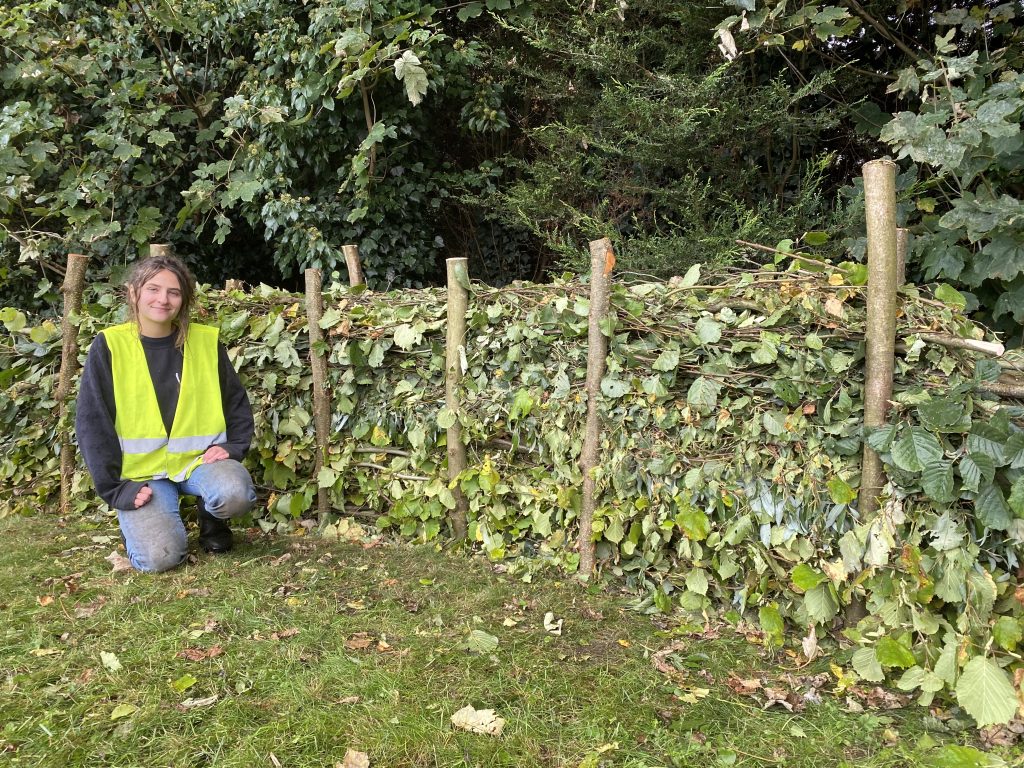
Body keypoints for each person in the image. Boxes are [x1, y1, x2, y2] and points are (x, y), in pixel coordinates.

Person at [75, 253, 257, 572]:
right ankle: (148, 524)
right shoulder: (109, 346)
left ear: (184, 299)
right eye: (153, 289)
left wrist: (232, 447)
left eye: (174, 292)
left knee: (234, 493)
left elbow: (236, 402)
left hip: (199, 463)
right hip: (143, 475)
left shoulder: (205, 342)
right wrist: (115, 489)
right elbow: (93, 425)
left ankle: (212, 519)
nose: (163, 299)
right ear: (134, 293)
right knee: (159, 558)